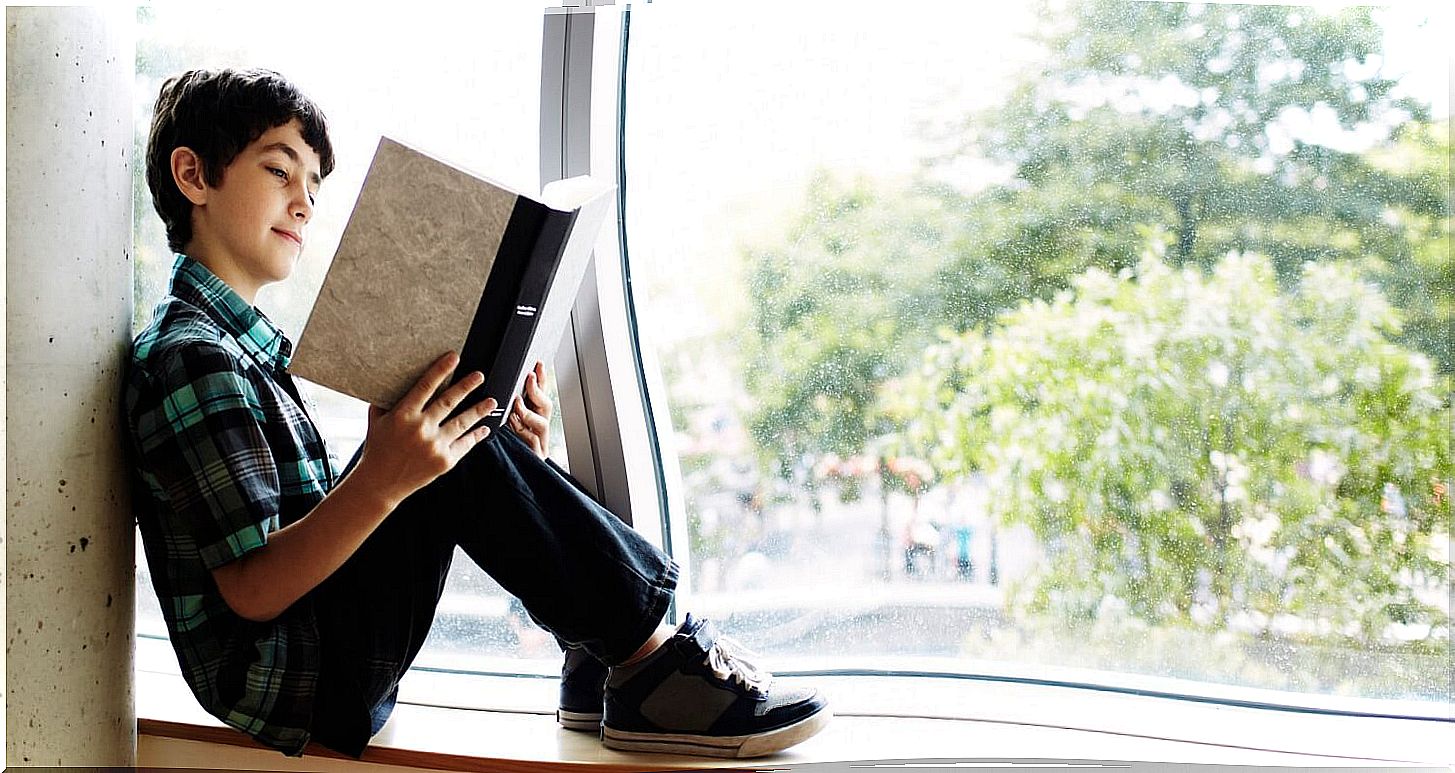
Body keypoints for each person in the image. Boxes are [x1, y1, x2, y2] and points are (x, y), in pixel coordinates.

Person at [122, 67, 829, 760]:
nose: (305, 202)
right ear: (194, 177)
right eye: (280, 172)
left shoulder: (234, 347)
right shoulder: (192, 356)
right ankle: (653, 669)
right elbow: (251, 587)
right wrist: (383, 478)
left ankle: (602, 660)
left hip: (318, 655)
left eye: (313, 184)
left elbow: (296, 525)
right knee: (439, 441)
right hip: (303, 683)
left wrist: (411, 459)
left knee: (449, 421)